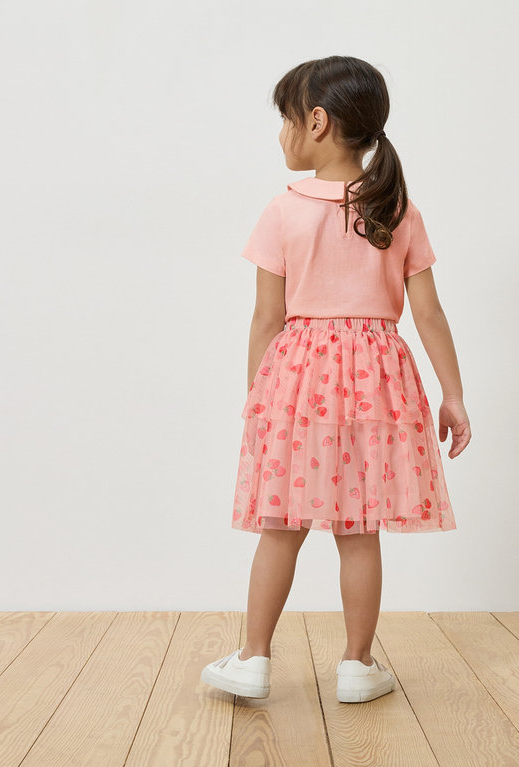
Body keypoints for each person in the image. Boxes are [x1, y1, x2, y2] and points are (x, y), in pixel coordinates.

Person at [201, 55, 471, 703]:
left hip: (297, 381)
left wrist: (258, 399)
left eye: (286, 120)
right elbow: (428, 312)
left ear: (316, 122)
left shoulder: (283, 210)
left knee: (281, 527)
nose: (280, 135)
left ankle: (253, 657)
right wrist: (453, 394)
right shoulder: (396, 207)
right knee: (360, 529)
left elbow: (267, 318)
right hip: (379, 380)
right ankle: (357, 664)